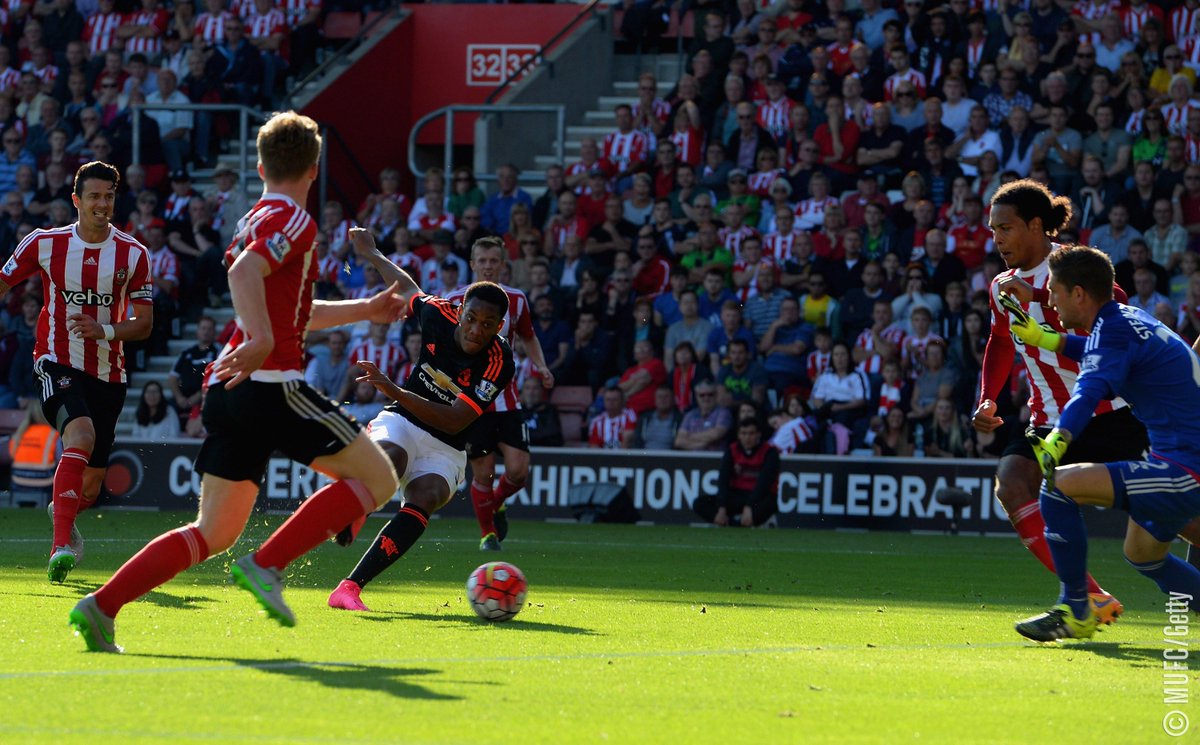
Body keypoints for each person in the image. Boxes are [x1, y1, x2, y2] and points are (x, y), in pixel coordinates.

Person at [68, 113, 406, 653]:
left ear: (258, 164)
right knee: (381, 479)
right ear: (314, 169)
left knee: (213, 533)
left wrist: (365, 308)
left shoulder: (255, 215)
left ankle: (101, 607)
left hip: (230, 388)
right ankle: (268, 563)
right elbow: (244, 274)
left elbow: (291, 309)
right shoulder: (295, 219)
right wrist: (263, 341)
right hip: (271, 382)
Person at [972, 179, 1146, 628]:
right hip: (1047, 417)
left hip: (1108, 414)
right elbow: (999, 339)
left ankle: (1084, 602)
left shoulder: (1075, 266)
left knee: (1168, 514)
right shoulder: (1002, 285)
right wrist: (989, 396)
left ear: (1036, 226)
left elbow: (1118, 320)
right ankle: (1087, 598)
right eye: (993, 230)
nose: (998, 239)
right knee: (1012, 485)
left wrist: (1045, 309)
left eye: (1005, 228)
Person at [1003, 245, 1200, 640]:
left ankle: (1076, 609)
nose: (1051, 301)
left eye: (1055, 291)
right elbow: (1093, 349)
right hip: (1177, 459)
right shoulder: (1124, 319)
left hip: (1185, 468)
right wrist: (1047, 338)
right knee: (1142, 554)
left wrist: (1060, 437)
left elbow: (1088, 390)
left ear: (1078, 293)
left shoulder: (1113, 330)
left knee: (1058, 486)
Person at [0, 161, 152, 583]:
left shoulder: (133, 254)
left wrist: (102, 329)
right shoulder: (44, 243)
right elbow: (3, 281)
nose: (101, 203)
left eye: (108, 196)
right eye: (94, 196)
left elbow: (144, 324)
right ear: (76, 201)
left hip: (109, 372)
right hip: (55, 360)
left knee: (90, 487)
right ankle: (60, 546)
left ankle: (63, 509)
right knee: (80, 436)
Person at [438, 236, 554, 551]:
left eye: (494, 261)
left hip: (508, 398)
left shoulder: (516, 299)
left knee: (518, 472)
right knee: (484, 473)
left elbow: (529, 337)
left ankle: (494, 505)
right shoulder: (454, 299)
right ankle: (487, 534)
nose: (488, 266)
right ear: (473, 264)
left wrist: (541, 366)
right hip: (472, 403)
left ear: (503, 265)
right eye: (482, 261)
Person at [692, 418, 780, 527]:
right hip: (736, 495)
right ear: (738, 435)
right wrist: (722, 507)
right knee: (699, 503)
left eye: (751, 433)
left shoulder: (769, 452)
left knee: (770, 504)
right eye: (743, 433)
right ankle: (733, 523)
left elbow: (764, 482)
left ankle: (737, 523)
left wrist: (749, 506)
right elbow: (723, 479)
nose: (747, 438)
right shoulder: (732, 450)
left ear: (758, 435)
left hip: (758, 497)